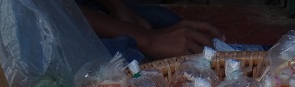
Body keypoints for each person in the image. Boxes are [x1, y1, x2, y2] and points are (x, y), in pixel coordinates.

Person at [77, 0, 224, 62]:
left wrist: (118, 7)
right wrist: (148, 39)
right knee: (127, 60)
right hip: (65, 28)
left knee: (167, 20)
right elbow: (64, 17)